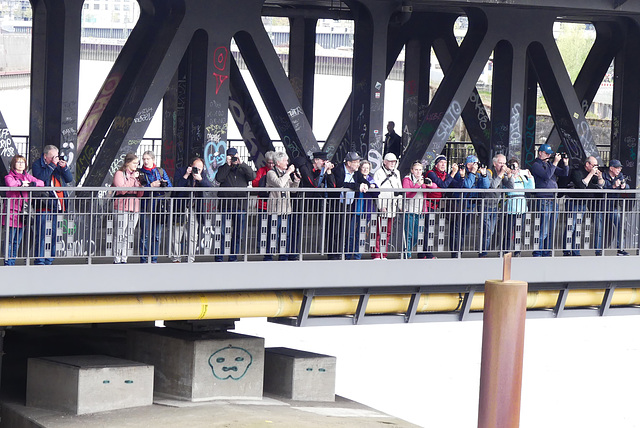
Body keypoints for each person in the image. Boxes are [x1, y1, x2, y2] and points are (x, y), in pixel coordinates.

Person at [31, 144, 74, 265]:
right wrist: (52, 166)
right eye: (53, 156)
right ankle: (40, 259)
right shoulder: (37, 165)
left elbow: (69, 179)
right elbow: (40, 178)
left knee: (55, 233)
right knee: (42, 232)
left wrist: (64, 167)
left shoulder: (58, 165)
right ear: (45, 156)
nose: (55, 158)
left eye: (57, 156)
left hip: (58, 205)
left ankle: (50, 259)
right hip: (44, 204)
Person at [215, 147, 256, 261]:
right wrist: (228, 165)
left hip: (240, 205)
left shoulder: (243, 169)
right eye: (231, 156)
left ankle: (233, 257)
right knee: (222, 232)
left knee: (238, 233)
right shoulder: (223, 168)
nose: (233, 159)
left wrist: (241, 163)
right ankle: (219, 257)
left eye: (234, 156)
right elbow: (219, 178)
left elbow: (252, 176)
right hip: (225, 205)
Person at [3, 155, 44, 265]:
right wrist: (22, 183)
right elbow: (11, 184)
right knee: (10, 239)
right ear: (13, 164)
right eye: (18, 162)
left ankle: (12, 260)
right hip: (12, 212)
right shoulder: (9, 176)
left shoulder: (27, 176)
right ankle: (8, 262)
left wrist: (32, 184)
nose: (21, 164)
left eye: (23, 162)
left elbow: (41, 183)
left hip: (23, 213)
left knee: (17, 240)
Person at [530, 143, 570, 257]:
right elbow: (546, 176)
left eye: (549, 154)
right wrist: (555, 162)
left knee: (552, 228)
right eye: (546, 153)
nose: (548, 156)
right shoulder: (536, 164)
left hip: (553, 199)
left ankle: (547, 251)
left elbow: (564, 173)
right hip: (543, 199)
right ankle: (538, 251)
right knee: (544, 227)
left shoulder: (548, 164)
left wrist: (565, 163)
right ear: (540, 153)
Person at [171, 157, 213, 263]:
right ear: (190, 165)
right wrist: (186, 175)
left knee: (193, 235)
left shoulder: (202, 175)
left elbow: (209, 187)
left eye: (200, 168)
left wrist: (200, 180)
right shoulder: (181, 171)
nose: (197, 170)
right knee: (177, 233)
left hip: (195, 209)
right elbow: (176, 186)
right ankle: (176, 258)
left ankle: (190, 258)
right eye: (195, 168)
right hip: (181, 208)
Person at [331, 151, 370, 259]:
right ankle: (334, 254)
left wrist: (365, 185)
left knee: (347, 230)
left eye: (358, 162)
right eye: (356, 162)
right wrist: (357, 186)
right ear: (348, 163)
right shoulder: (339, 170)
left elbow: (363, 181)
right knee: (336, 230)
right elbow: (340, 184)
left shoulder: (356, 173)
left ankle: (343, 253)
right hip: (337, 204)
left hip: (350, 205)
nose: (358, 164)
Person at [423, 154, 462, 259]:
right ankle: (427, 253)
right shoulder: (431, 174)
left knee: (429, 228)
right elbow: (443, 185)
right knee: (427, 229)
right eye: (441, 162)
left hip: (436, 205)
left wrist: (461, 176)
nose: (443, 164)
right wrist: (453, 173)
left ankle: (424, 253)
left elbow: (458, 185)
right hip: (427, 204)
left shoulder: (445, 174)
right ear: (436, 164)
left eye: (445, 163)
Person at [563, 156, 604, 256]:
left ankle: (575, 251)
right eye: (594, 165)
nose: (596, 168)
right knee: (570, 226)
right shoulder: (577, 171)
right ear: (587, 164)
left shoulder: (593, 174)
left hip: (582, 203)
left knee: (577, 227)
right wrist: (590, 174)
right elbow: (582, 185)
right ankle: (567, 250)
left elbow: (600, 186)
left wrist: (599, 177)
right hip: (573, 202)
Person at [450, 155, 490, 258]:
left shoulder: (477, 174)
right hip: (459, 207)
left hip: (469, 208)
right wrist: (472, 173)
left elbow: (485, 186)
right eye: (474, 163)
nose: (476, 166)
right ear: (468, 164)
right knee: (457, 232)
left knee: (464, 231)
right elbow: (467, 185)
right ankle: (455, 253)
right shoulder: (461, 172)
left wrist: (484, 175)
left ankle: (460, 252)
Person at [138, 150, 173, 263]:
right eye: (144, 159)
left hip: (159, 207)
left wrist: (163, 184)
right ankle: (143, 259)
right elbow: (140, 188)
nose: (145, 161)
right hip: (145, 206)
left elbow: (170, 186)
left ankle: (154, 258)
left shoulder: (160, 171)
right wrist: (151, 185)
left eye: (148, 159)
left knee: (156, 235)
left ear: (153, 160)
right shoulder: (140, 173)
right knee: (145, 235)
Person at [265, 151, 300, 260]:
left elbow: (292, 190)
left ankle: (283, 255)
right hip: (275, 209)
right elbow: (279, 184)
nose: (287, 163)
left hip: (286, 209)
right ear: (278, 162)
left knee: (285, 234)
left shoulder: (286, 174)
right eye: (285, 161)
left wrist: (296, 181)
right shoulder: (271, 173)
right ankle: (269, 256)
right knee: (272, 233)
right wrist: (288, 173)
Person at [111, 153, 144, 264]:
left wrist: (140, 185)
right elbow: (122, 190)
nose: (136, 165)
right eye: (134, 163)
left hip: (134, 207)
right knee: (119, 233)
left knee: (129, 233)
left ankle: (124, 258)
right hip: (121, 205)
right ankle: (117, 258)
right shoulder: (119, 174)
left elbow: (139, 194)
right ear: (127, 163)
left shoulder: (136, 175)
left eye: (137, 163)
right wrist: (131, 178)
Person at [402, 160, 436, 258]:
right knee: (409, 234)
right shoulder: (407, 179)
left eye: (420, 170)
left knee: (417, 235)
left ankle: (408, 250)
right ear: (412, 170)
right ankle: (407, 254)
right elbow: (408, 194)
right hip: (409, 210)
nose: (418, 172)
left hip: (420, 211)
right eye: (416, 170)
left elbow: (435, 187)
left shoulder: (423, 179)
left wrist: (429, 184)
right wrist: (417, 185)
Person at [372, 152, 403, 260]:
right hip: (383, 206)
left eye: (394, 161)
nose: (392, 163)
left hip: (392, 206)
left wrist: (400, 204)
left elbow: (399, 190)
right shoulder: (379, 173)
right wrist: (380, 206)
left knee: (388, 231)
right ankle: (377, 254)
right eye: (390, 161)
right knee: (379, 231)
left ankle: (383, 254)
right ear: (384, 162)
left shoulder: (397, 173)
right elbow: (377, 191)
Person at [482, 154, 512, 257]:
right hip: (485, 205)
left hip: (495, 206)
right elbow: (493, 186)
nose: (503, 166)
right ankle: (483, 252)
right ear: (495, 163)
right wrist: (501, 174)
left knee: (491, 230)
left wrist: (509, 176)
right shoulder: (488, 172)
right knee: (487, 229)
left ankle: (484, 250)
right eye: (500, 163)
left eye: (504, 163)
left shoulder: (502, 174)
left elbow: (511, 187)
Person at [504, 158, 535, 256]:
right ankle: (507, 250)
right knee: (509, 231)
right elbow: (510, 187)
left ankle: (517, 251)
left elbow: (530, 188)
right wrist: (512, 176)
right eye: (513, 167)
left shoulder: (521, 177)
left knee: (519, 231)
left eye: (517, 168)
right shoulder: (506, 177)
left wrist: (529, 177)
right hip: (510, 208)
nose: (515, 170)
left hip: (521, 208)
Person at [602, 159, 630, 256]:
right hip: (601, 206)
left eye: (620, 168)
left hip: (613, 206)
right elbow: (601, 188)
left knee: (620, 225)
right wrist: (613, 187)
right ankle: (598, 251)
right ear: (611, 168)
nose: (619, 170)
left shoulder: (620, 176)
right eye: (617, 168)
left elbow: (627, 187)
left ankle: (620, 248)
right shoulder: (603, 175)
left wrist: (624, 186)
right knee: (600, 229)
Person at [251, 151, 276, 260]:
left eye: (272, 163)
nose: (271, 165)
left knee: (273, 228)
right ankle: (260, 246)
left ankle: (271, 247)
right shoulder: (262, 171)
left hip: (274, 204)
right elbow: (254, 183)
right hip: (263, 204)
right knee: (262, 226)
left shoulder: (275, 171)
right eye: (269, 163)